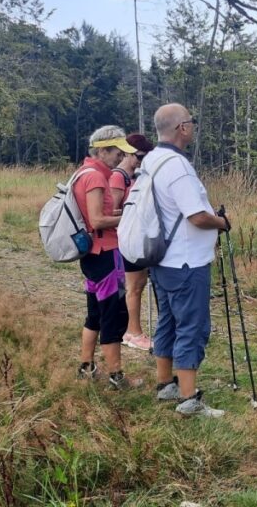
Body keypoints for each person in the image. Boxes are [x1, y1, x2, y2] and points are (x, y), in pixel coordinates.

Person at [145, 103, 230, 417]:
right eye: (191, 121)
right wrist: (223, 222)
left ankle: (166, 384)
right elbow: (196, 217)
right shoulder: (177, 166)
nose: (193, 126)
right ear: (182, 127)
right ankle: (188, 399)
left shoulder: (152, 160)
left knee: (168, 321)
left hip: (162, 260)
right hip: (185, 262)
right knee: (191, 327)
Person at [72, 125, 138, 390]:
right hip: (106, 255)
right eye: (116, 153)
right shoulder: (96, 177)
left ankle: (86, 367)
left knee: (95, 314)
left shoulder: (82, 172)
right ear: (102, 151)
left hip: (92, 256)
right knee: (114, 314)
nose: (120, 159)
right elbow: (97, 220)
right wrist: (130, 215)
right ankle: (117, 376)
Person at [109, 133, 157, 351]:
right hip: (125, 240)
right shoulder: (118, 177)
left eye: (144, 157)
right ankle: (133, 332)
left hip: (138, 239)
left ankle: (131, 329)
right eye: (138, 156)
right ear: (127, 153)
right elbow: (113, 209)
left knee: (138, 285)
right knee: (133, 288)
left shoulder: (137, 177)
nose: (140, 160)